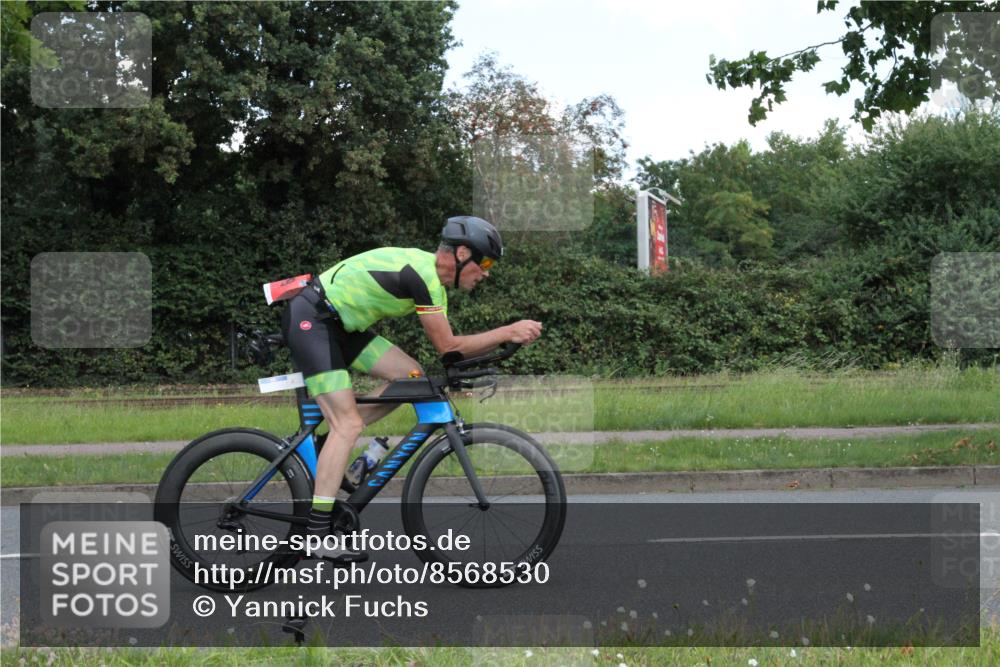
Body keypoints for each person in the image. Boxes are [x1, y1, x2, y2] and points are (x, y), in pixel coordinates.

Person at [281, 216, 542, 561]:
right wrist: (507, 332)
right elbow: (449, 347)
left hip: (339, 325)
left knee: (411, 377)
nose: (487, 272)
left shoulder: (430, 279)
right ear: (463, 253)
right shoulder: (424, 275)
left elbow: (449, 355)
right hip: (313, 320)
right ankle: (315, 535)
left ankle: (328, 447)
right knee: (348, 424)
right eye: (486, 262)